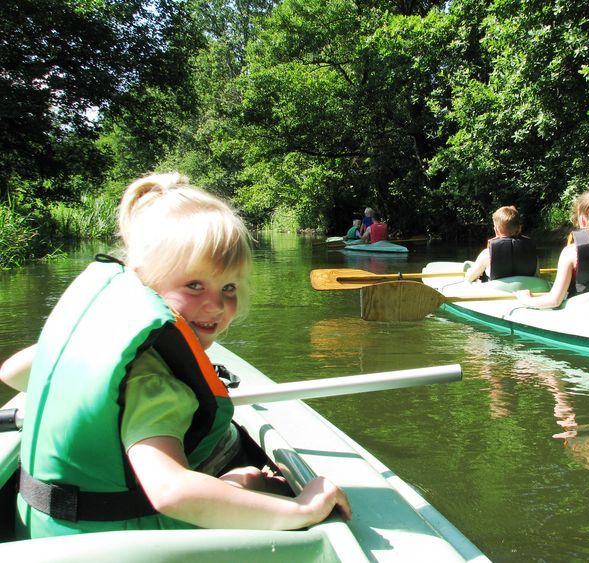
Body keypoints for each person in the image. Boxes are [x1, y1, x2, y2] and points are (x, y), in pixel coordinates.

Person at [0, 172, 351, 538]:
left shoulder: (107, 333)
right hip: (120, 544)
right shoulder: (153, 380)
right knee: (260, 484)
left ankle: (239, 481)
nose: (216, 305)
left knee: (241, 478)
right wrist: (300, 508)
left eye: (228, 287)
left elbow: (13, 372)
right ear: (146, 279)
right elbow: (172, 492)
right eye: (194, 285)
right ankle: (244, 483)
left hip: (49, 529)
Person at [464, 205, 538, 283]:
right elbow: (537, 278)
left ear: (496, 230)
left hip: (498, 293)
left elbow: (468, 279)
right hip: (525, 292)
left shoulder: (487, 254)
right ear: (519, 229)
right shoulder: (532, 252)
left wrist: (469, 271)